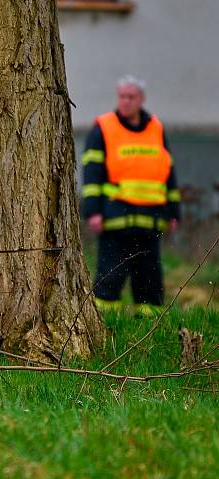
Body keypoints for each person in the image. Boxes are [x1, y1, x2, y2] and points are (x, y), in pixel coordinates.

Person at [81, 75, 181, 316]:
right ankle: (106, 324)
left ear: (141, 99)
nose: (125, 102)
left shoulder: (156, 129)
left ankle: (148, 330)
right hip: (115, 221)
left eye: (131, 97)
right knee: (110, 277)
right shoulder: (103, 128)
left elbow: (168, 173)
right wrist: (93, 211)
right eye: (122, 96)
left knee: (150, 281)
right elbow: (92, 174)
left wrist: (174, 213)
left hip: (150, 221)